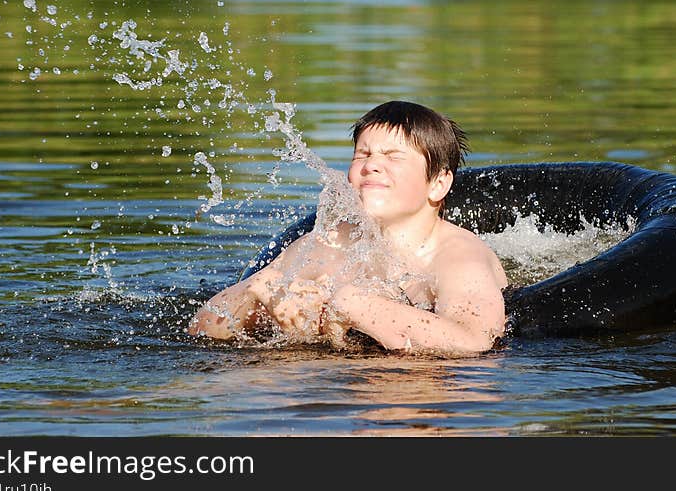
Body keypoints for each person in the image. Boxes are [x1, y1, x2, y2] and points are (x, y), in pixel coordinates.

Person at [187, 101, 508, 354]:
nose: (371, 165)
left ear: (438, 183)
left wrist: (356, 305)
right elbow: (200, 328)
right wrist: (257, 293)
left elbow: (476, 341)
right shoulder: (330, 244)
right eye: (362, 154)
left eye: (393, 156)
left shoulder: (458, 258)